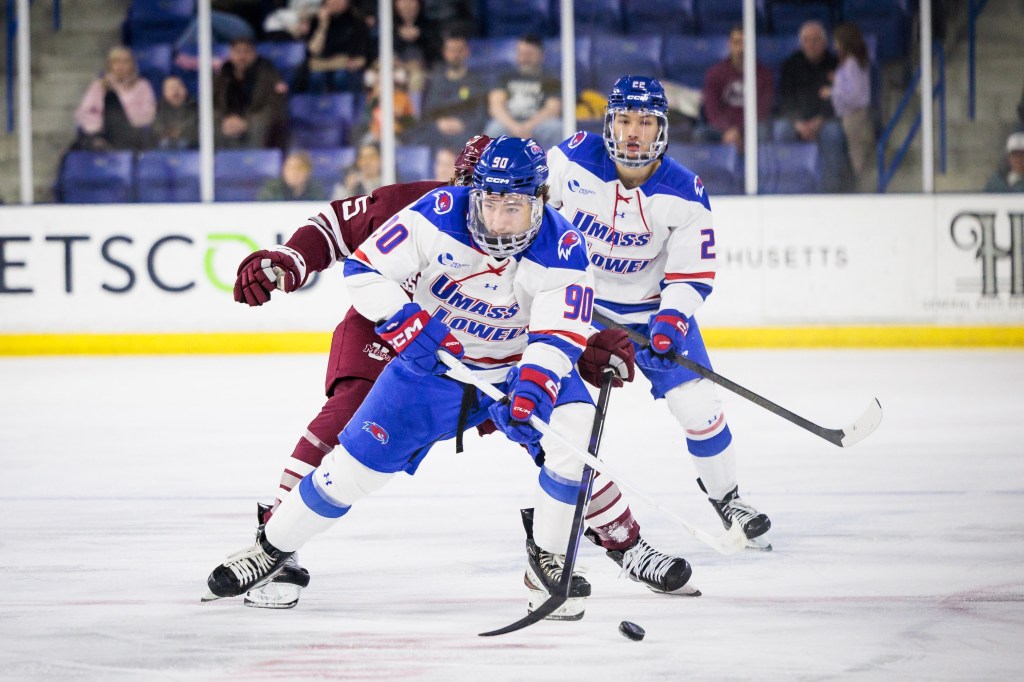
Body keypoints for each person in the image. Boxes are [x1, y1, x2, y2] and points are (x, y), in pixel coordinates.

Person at [215, 136, 695, 614]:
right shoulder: (423, 208)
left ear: (536, 199)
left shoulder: (559, 241)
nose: (495, 220)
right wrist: (292, 261)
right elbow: (337, 233)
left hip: (507, 358)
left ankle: (594, 546)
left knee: (570, 440)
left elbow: (550, 320)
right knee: (347, 435)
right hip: (398, 335)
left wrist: (572, 357)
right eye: (482, 195)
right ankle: (274, 542)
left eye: (513, 203)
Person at [547, 75, 772, 550]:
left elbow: (693, 272)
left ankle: (727, 498)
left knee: (699, 408)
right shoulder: (570, 160)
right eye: (624, 119)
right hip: (576, 307)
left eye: (645, 122)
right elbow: (534, 220)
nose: (633, 131)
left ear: (661, 128)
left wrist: (672, 317)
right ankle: (560, 511)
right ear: (609, 122)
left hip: (649, 313)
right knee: (561, 414)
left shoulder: (686, 191)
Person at [773, 21, 847, 193]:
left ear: (824, 42)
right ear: (801, 43)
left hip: (825, 120)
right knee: (781, 130)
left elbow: (839, 99)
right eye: (807, 40)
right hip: (796, 121)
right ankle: (787, 188)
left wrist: (819, 121)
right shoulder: (790, 65)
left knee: (834, 132)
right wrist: (798, 123)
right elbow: (785, 99)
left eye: (815, 40)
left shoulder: (836, 64)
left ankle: (830, 191)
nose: (811, 44)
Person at [695, 25, 774, 153]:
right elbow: (712, 110)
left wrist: (740, 132)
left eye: (745, 43)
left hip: (751, 129)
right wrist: (728, 130)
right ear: (729, 44)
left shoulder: (764, 75)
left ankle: (762, 171)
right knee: (701, 134)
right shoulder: (715, 73)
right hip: (723, 130)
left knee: (764, 132)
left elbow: (763, 109)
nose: (741, 48)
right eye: (736, 42)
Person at [408, 31, 488, 149]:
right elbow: (427, 112)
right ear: (444, 53)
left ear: (467, 52)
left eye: (459, 50)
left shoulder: (477, 82)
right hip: (437, 133)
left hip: (466, 133)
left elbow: (481, 115)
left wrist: (463, 124)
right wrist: (439, 124)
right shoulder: (435, 81)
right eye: (451, 50)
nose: (455, 55)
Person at [483, 34, 563, 151]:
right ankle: (494, 168)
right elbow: (495, 107)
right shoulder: (505, 76)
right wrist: (514, 127)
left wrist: (528, 126)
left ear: (541, 56)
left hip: (539, 124)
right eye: (521, 54)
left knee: (556, 128)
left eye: (529, 55)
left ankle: (553, 167)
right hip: (509, 123)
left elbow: (553, 109)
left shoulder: (551, 79)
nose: (524, 59)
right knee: (493, 129)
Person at [73, 46, 156, 151]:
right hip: (102, 131)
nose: (121, 66)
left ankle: (105, 146)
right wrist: (98, 124)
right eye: (116, 62)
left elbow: (149, 114)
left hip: (130, 132)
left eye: (125, 62)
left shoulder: (142, 85)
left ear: (132, 65)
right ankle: (101, 145)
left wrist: (125, 114)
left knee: (111, 99)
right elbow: (83, 113)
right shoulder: (98, 85)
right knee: (74, 146)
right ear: (110, 65)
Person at [213, 37, 289, 149]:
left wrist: (247, 122)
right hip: (226, 122)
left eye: (246, 51)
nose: (242, 56)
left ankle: (256, 163)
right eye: (238, 52)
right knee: (211, 125)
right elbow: (212, 104)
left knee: (259, 126)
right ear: (231, 54)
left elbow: (275, 106)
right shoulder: (221, 76)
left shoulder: (268, 74)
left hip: (256, 123)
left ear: (254, 54)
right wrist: (226, 120)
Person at [824, 23, 872, 193]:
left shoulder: (852, 62)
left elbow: (855, 95)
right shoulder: (851, 62)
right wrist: (836, 79)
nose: (834, 44)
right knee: (853, 154)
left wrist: (832, 92)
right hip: (851, 114)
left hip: (854, 115)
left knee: (856, 155)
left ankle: (863, 190)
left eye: (836, 40)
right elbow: (848, 84)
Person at [299, 0, 373, 93]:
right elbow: (313, 50)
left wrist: (348, 62)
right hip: (321, 68)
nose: (335, 2)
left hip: (346, 70)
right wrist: (323, 25)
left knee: (340, 76)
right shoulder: (316, 21)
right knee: (315, 76)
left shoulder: (357, 22)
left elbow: (361, 57)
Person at [152, 75, 198, 150]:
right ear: (164, 93)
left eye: (178, 87)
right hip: (164, 143)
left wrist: (179, 132)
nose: (175, 91)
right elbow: (156, 126)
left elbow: (193, 125)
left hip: (190, 144)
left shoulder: (194, 106)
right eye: (171, 88)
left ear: (185, 90)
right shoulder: (158, 108)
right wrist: (167, 132)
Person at [259, 150, 328, 200]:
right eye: (290, 168)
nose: (294, 172)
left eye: (299, 168)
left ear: (308, 171)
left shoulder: (315, 189)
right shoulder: (272, 188)